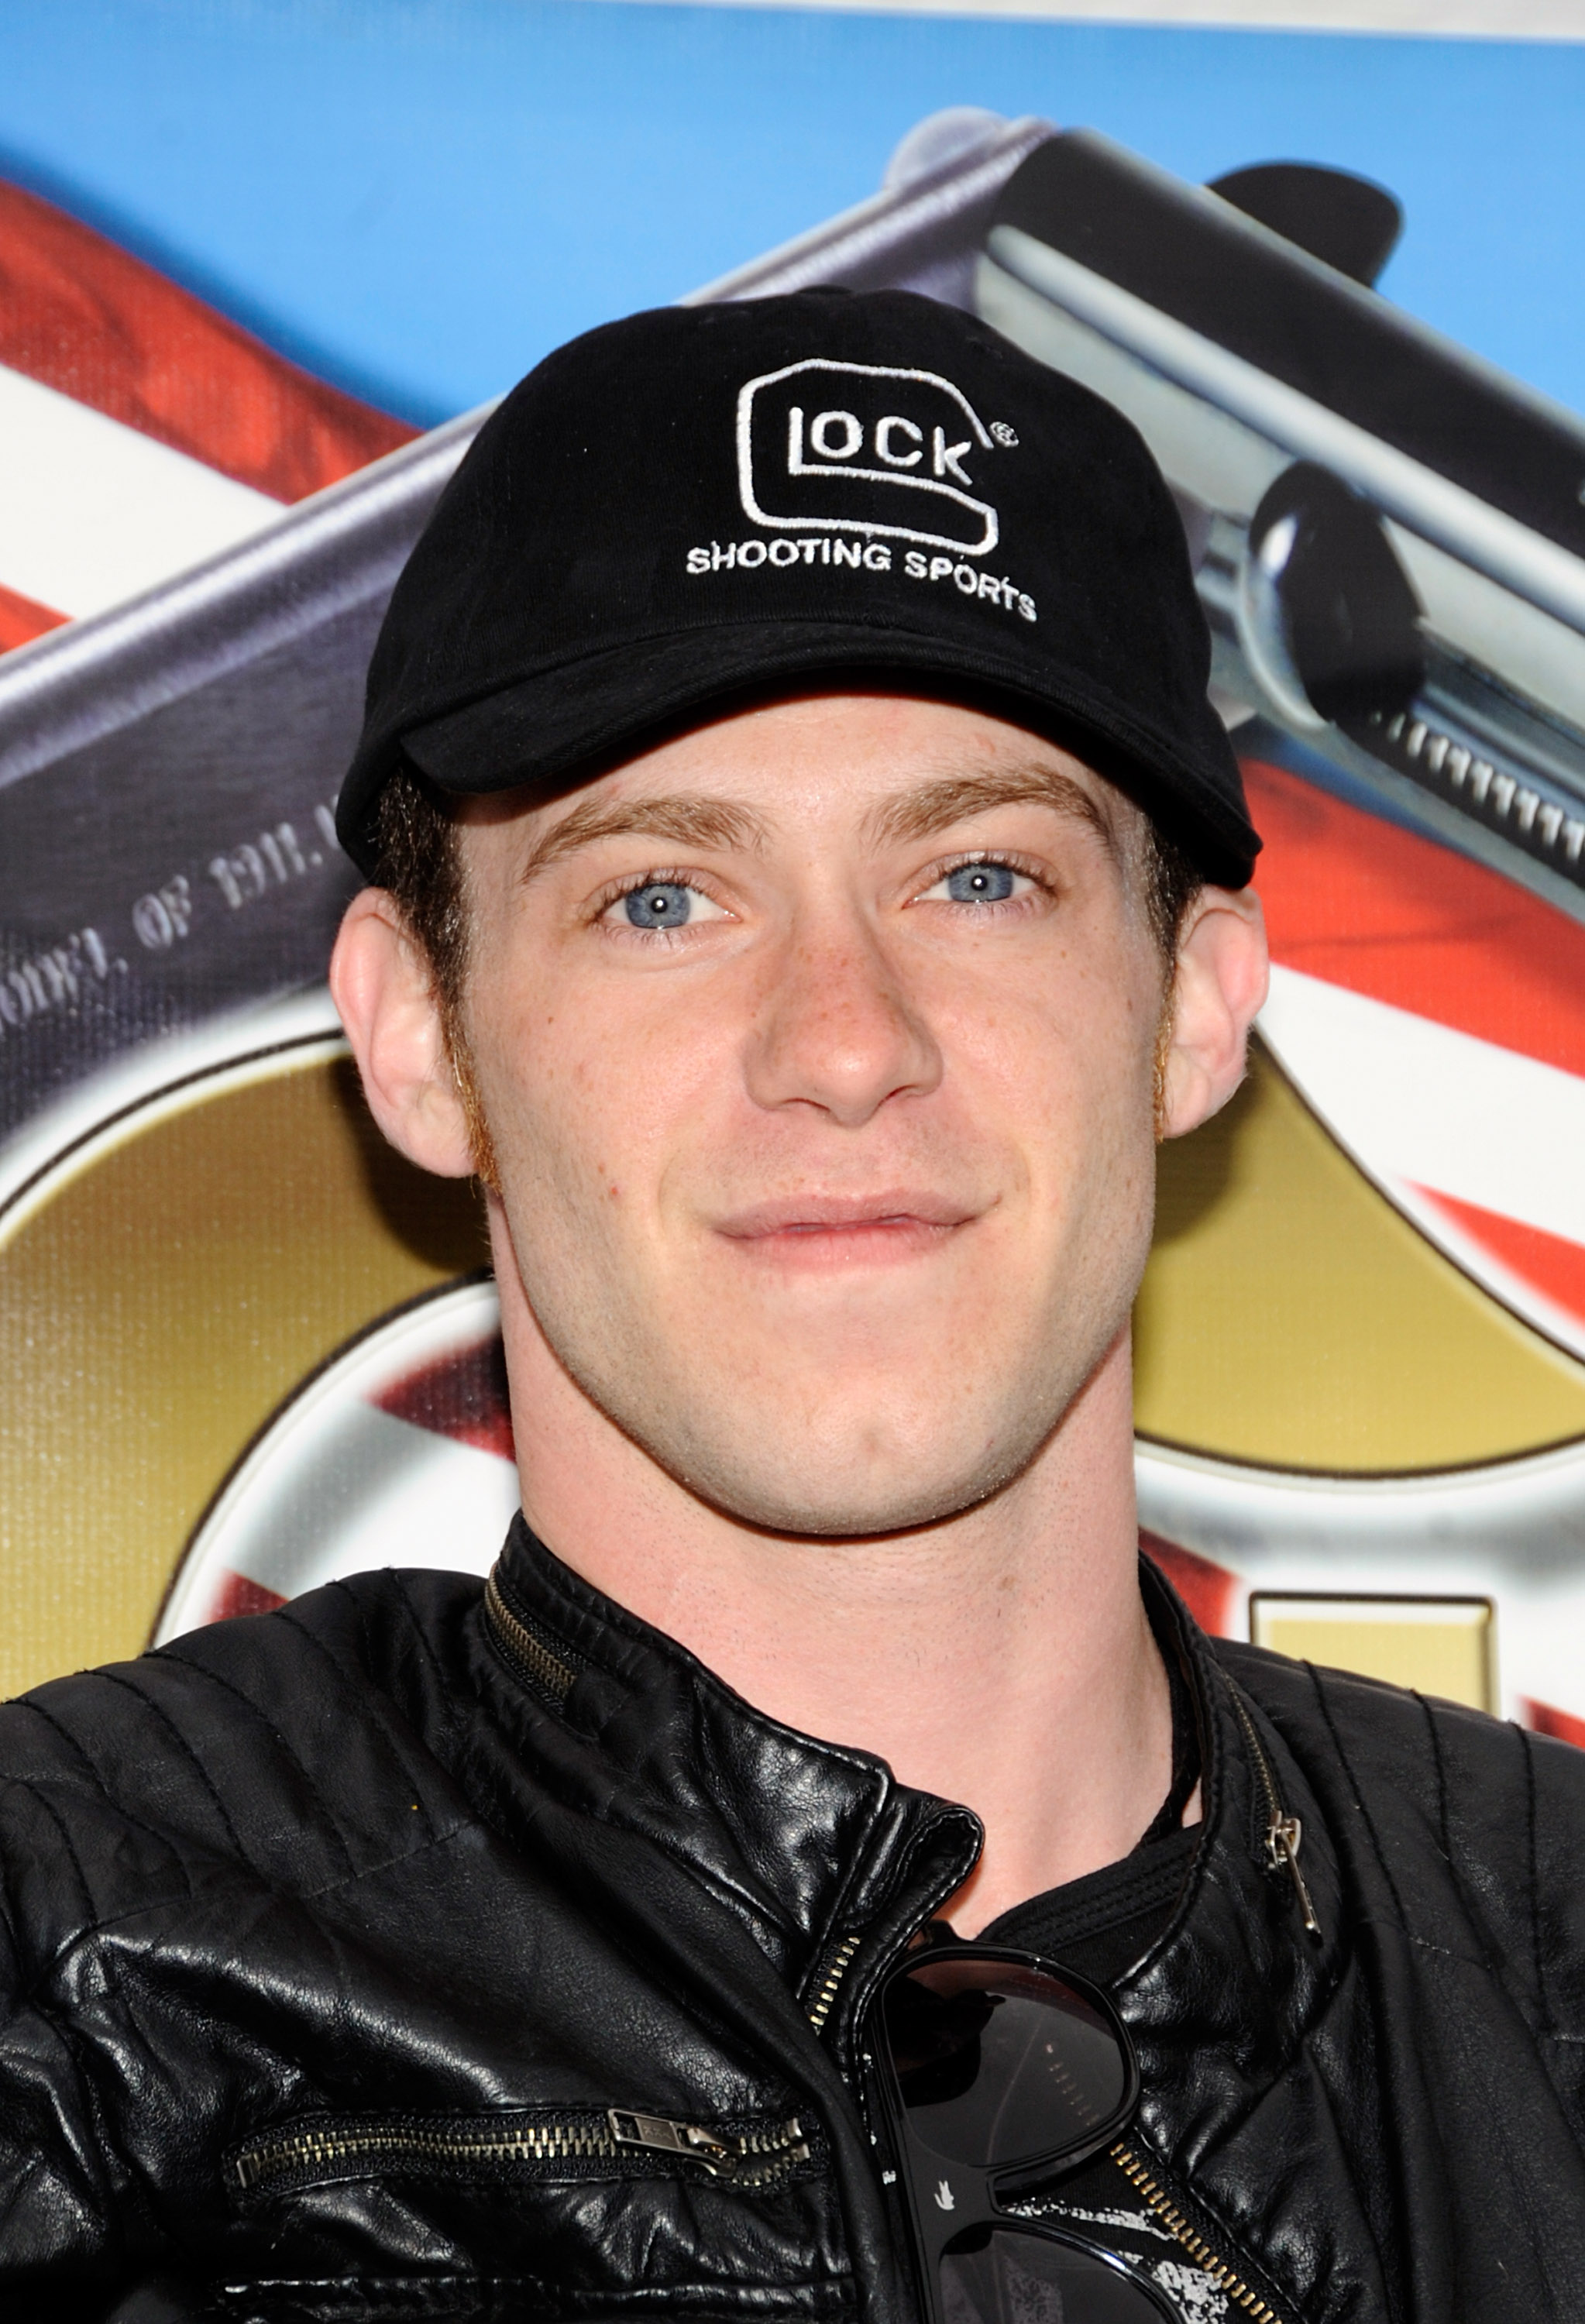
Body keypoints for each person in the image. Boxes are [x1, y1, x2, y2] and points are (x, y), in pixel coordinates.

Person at [2, 290, 1582, 2324]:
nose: (844, 1042)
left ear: (1196, 1007)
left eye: (980, 879)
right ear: (420, 1037)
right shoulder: (77, 1967)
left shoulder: (1548, 1967)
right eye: (659, 896)